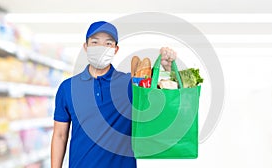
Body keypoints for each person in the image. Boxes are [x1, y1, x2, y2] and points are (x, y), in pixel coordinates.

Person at [51, 21, 177, 168]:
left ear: (115, 49)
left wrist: (168, 68)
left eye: (108, 43)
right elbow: (60, 135)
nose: (101, 47)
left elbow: (166, 96)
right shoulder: (68, 88)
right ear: (85, 47)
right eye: (95, 42)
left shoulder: (131, 84)